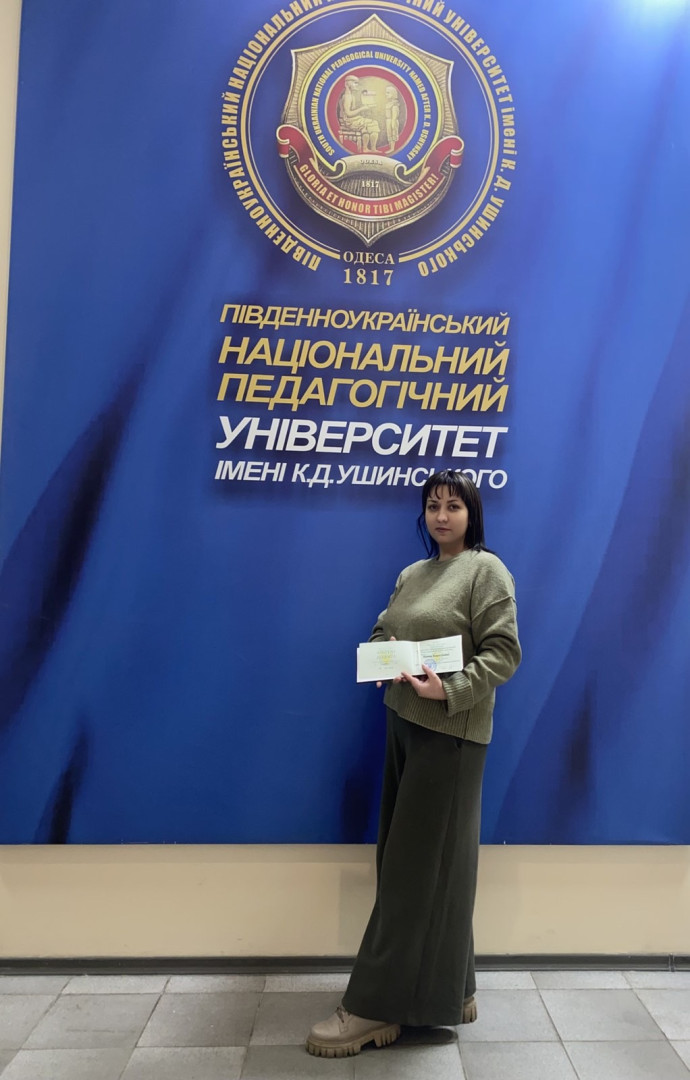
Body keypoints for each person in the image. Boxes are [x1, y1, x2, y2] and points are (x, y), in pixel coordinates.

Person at [306, 469, 521, 1058]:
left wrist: (449, 690)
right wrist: (383, 654)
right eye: (433, 506)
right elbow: (386, 628)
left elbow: (504, 653)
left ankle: (376, 1007)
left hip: (450, 737)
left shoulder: (486, 571)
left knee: (412, 873)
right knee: (424, 866)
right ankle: (450, 989)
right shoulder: (412, 574)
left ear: (472, 513)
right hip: (403, 725)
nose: (442, 516)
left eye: (453, 506)